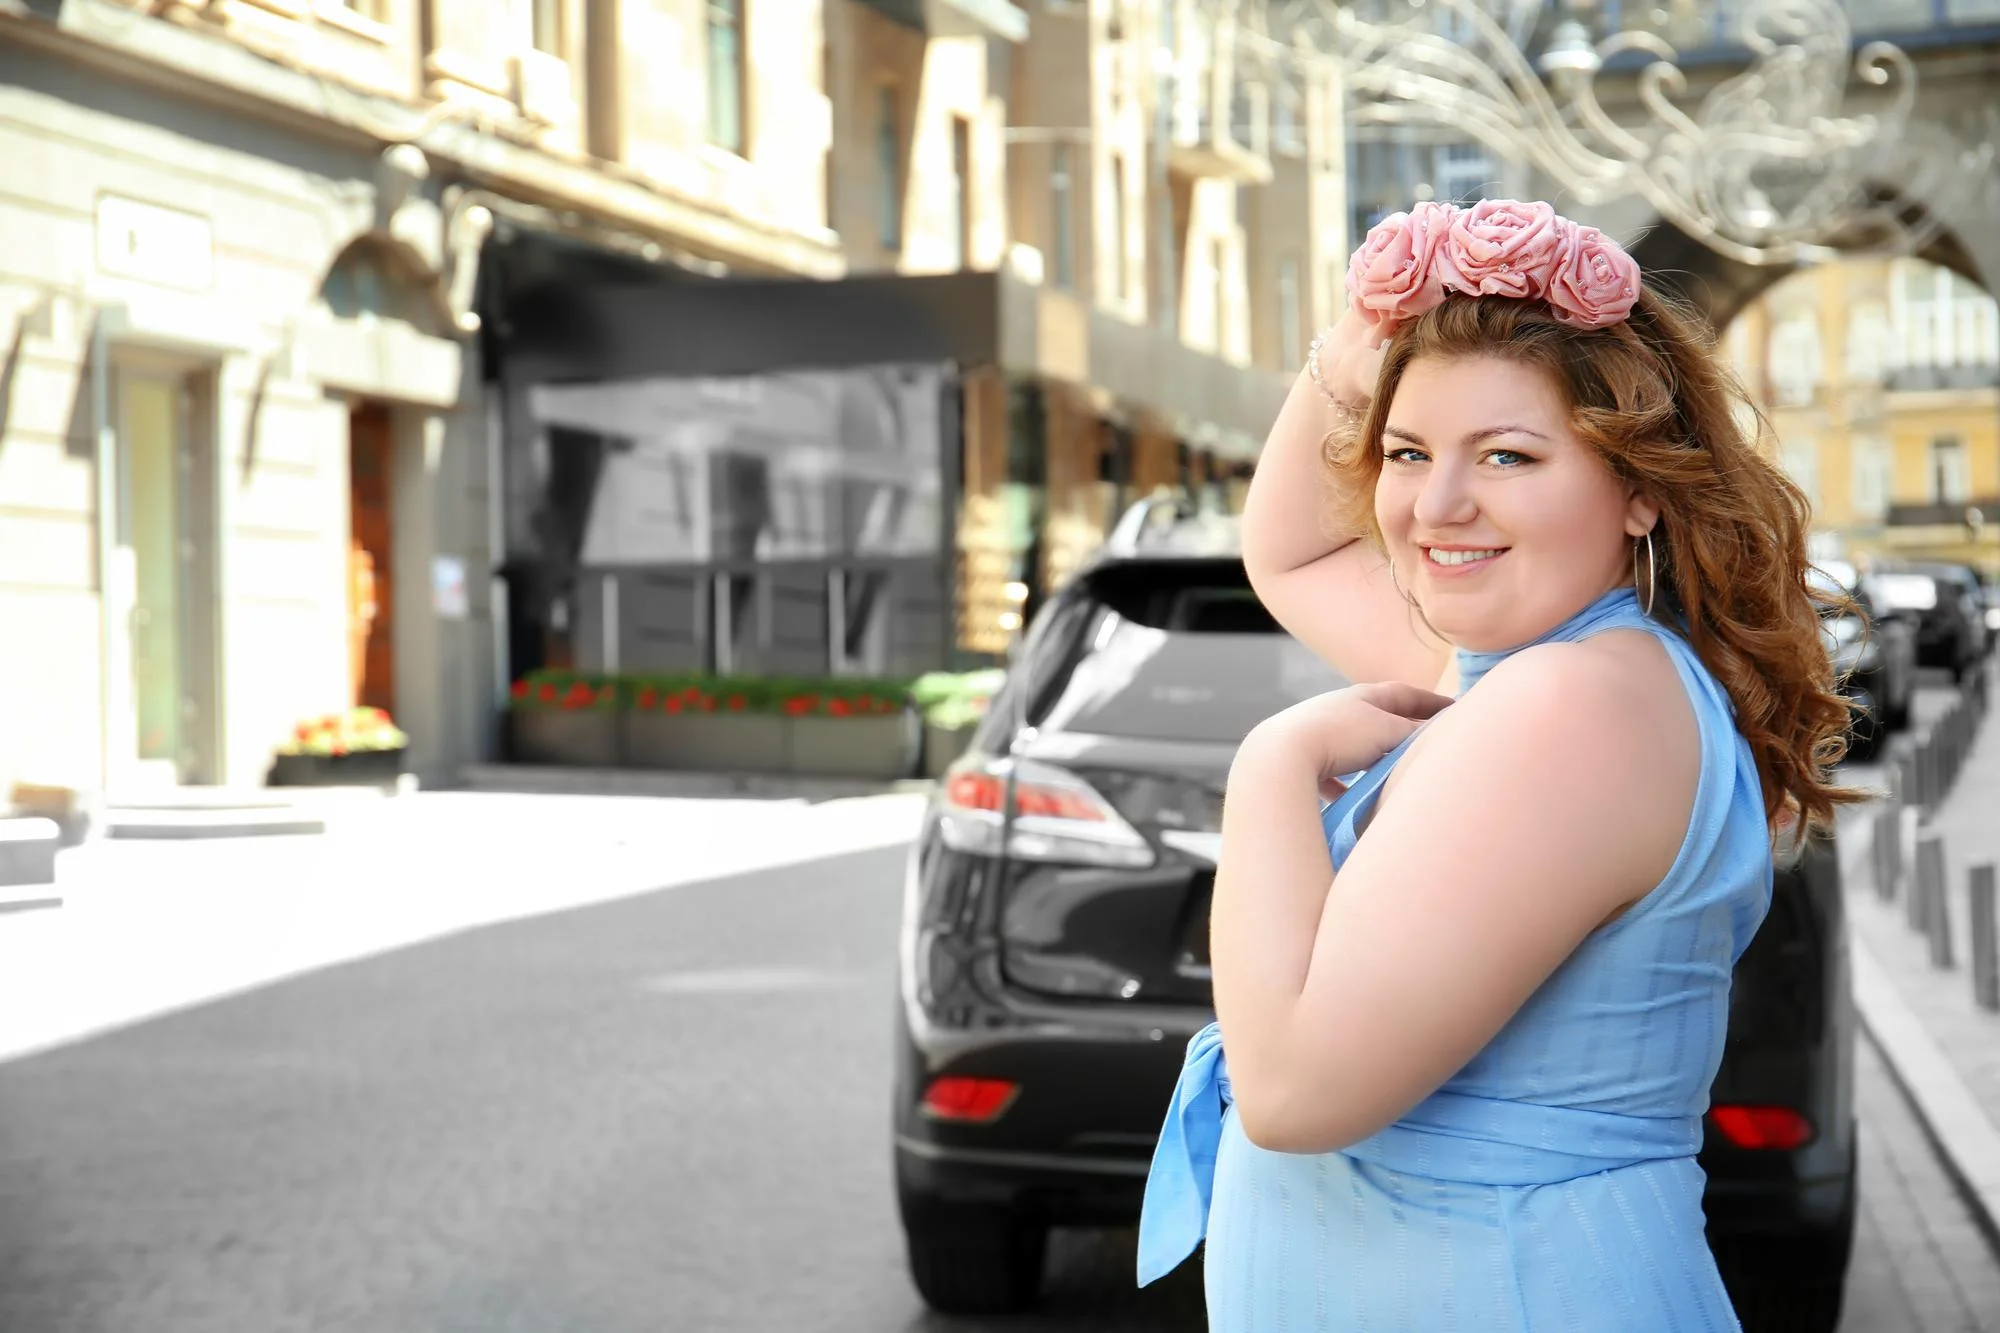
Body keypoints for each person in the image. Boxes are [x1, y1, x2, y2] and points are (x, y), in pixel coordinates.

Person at [1134, 199, 1861, 1331]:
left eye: (1507, 455)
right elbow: (1290, 552)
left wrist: (1269, 769)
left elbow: (1288, 1093)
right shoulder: (1552, 666)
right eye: (1408, 452)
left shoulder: (1569, 705)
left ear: (1639, 487)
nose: (1436, 506)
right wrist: (1359, 345)